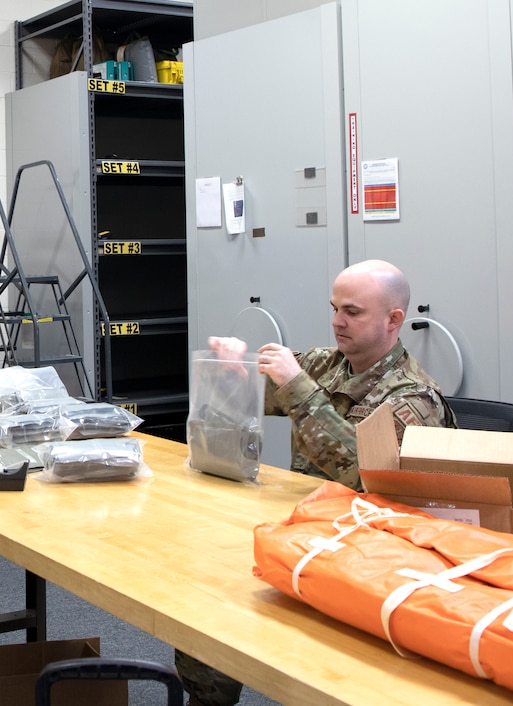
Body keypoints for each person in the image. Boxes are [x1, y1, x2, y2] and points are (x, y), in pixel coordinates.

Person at [177, 259, 454, 706]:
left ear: (393, 319)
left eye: (352, 312)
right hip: (308, 536)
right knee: (210, 599)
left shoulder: (413, 398)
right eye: (334, 308)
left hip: (372, 558)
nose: (337, 322)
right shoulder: (330, 365)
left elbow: (363, 475)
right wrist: (232, 371)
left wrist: (296, 385)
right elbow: (254, 399)